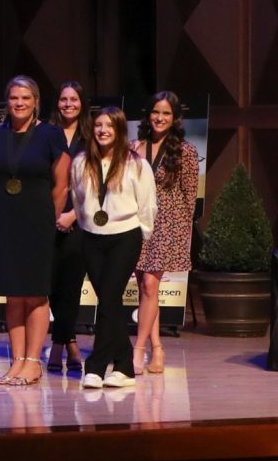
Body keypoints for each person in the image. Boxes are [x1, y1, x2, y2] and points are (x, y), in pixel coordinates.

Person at [0, 76, 71, 388]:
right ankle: (17, 360)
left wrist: (51, 218)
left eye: (25, 98)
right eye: (14, 98)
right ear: (6, 102)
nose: (19, 103)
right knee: (13, 294)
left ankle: (34, 361)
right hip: (4, 221)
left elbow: (62, 185)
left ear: (35, 102)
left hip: (37, 223)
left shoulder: (51, 134)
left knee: (35, 293)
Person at [72, 107, 154, 389]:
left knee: (109, 297)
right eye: (98, 125)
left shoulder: (136, 164)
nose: (103, 130)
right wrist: (86, 228)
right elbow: (77, 199)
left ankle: (95, 366)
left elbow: (147, 205)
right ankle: (125, 368)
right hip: (92, 237)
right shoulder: (81, 161)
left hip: (125, 237)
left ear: (119, 130)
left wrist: (141, 235)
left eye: (109, 125)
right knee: (109, 302)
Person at [132, 91, 198, 375]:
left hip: (168, 225)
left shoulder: (186, 151)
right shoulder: (136, 147)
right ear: (149, 115)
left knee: (149, 284)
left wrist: (181, 237)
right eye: (156, 112)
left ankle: (138, 350)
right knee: (146, 290)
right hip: (138, 223)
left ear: (174, 119)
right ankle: (157, 347)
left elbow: (189, 198)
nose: (160, 118)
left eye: (166, 114)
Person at [47, 80, 90, 373]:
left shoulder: (92, 137)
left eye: (73, 99)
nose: (68, 104)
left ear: (82, 103)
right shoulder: (46, 134)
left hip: (80, 220)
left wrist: (73, 214)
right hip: (46, 218)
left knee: (71, 286)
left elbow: (96, 183)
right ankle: (68, 343)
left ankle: (60, 345)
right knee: (50, 284)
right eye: (63, 99)